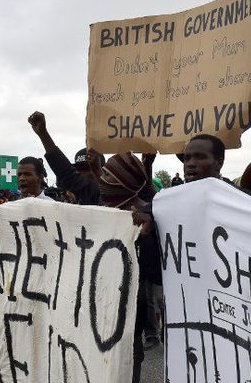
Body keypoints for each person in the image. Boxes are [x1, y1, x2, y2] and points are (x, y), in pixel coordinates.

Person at [98, 151, 159, 383]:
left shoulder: (149, 216)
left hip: (133, 306)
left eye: (107, 174)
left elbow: (154, 271)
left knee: (129, 357)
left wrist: (145, 234)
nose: (101, 179)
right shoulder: (102, 212)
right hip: (102, 306)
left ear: (119, 180)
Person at [28, 111, 102, 205]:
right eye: (79, 170)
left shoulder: (118, 192)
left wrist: (97, 172)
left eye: (89, 168)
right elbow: (64, 170)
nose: (82, 174)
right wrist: (43, 134)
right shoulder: (78, 198)